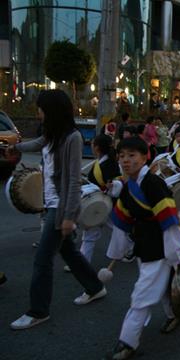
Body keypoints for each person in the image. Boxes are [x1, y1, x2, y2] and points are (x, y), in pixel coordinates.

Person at [9, 89, 106, 330]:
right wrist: (16, 148)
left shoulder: (71, 137)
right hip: (50, 202)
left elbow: (73, 180)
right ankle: (95, 287)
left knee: (42, 261)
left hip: (58, 206)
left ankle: (38, 311)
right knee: (69, 252)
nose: (38, 113)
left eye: (41, 108)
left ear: (51, 111)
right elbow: (37, 143)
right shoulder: (52, 134)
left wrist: (68, 216)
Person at [105, 137, 180, 359]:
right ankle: (174, 313)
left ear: (145, 158)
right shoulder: (128, 187)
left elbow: (169, 221)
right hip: (144, 244)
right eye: (122, 156)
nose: (125, 161)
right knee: (160, 285)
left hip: (160, 246)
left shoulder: (154, 184)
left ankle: (127, 342)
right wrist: (119, 250)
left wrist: (176, 253)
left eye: (132, 155)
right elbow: (121, 222)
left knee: (142, 294)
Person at [80, 134, 121, 263]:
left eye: (92, 143)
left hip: (104, 203)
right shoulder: (102, 161)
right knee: (93, 234)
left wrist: (111, 185)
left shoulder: (110, 163)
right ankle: (82, 262)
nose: (91, 146)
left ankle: (132, 248)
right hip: (99, 202)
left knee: (118, 229)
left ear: (97, 147)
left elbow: (116, 184)